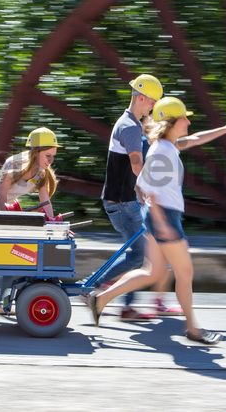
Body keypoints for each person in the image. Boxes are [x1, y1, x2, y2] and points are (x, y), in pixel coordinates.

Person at [88, 97, 226, 345]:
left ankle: (101, 299)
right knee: (185, 272)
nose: (189, 121)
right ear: (171, 122)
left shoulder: (166, 146)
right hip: (165, 217)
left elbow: (142, 184)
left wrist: (224, 130)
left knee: (153, 272)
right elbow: (148, 190)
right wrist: (161, 223)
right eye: (184, 117)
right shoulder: (161, 152)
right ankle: (192, 329)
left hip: (158, 217)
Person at [81, 74, 168, 321]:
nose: (153, 107)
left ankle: (113, 298)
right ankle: (91, 286)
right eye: (152, 102)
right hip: (121, 203)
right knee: (139, 256)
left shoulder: (128, 122)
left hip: (125, 201)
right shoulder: (129, 127)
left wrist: (142, 194)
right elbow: (136, 164)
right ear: (141, 98)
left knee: (140, 255)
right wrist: (152, 189)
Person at [0, 127, 61, 313]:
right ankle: (1, 302)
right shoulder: (14, 163)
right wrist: (4, 221)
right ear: (36, 151)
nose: (51, 160)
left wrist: (52, 220)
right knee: (10, 257)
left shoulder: (40, 172)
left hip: (4, 212)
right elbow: (1, 195)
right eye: (48, 155)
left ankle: (2, 303)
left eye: (53, 156)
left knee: (13, 258)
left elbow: (45, 199)